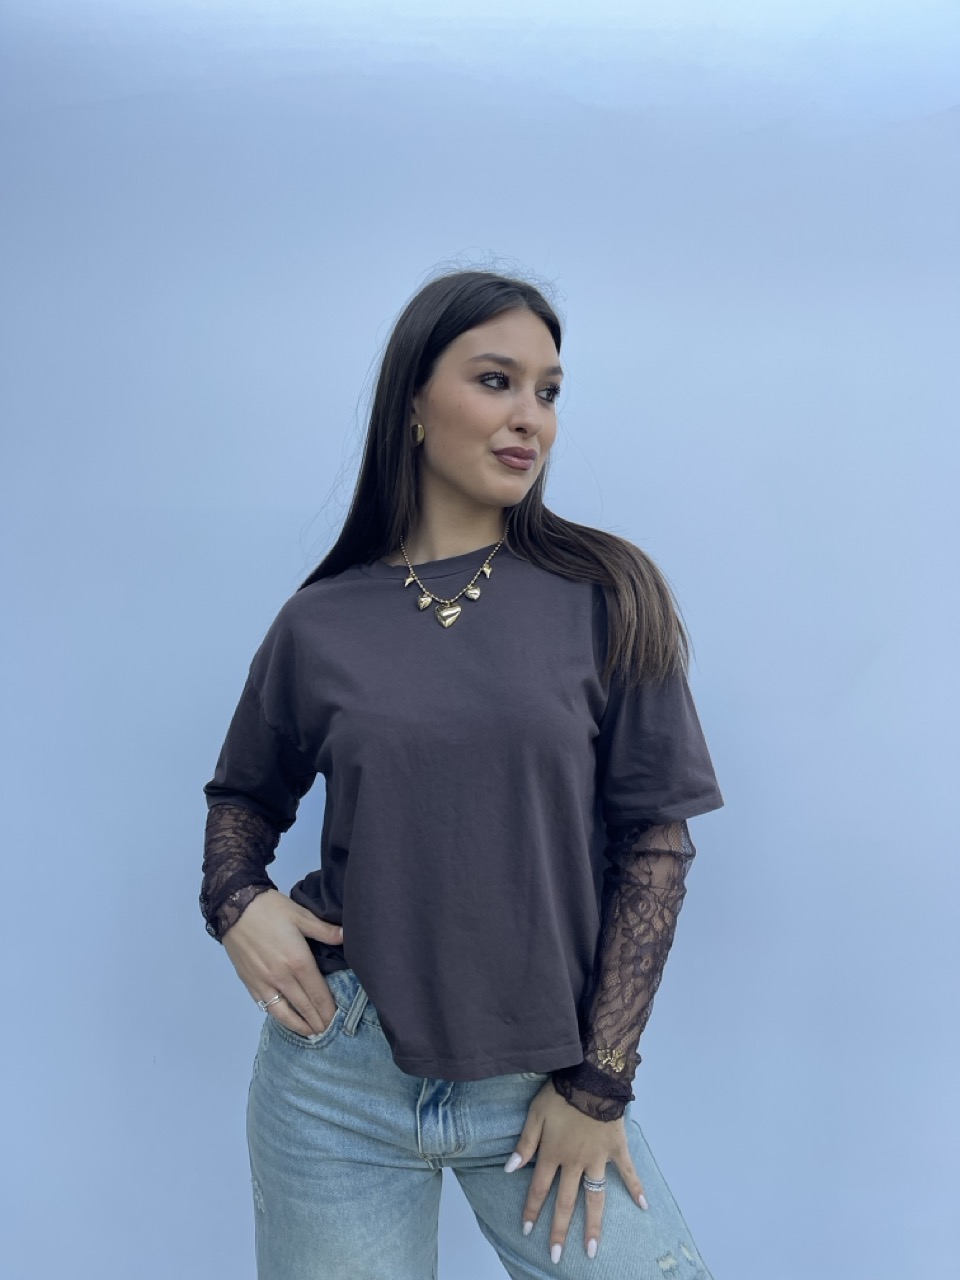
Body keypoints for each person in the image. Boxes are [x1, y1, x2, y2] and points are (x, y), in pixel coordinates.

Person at [200, 268, 724, 1279]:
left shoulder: (608, 595)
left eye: (549, 391)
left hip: (543, 1077)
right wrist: (235, 900)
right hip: (336, 1075)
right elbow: (245, 795)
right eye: (496, 380)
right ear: (413, 403)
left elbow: (656, 846)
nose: (531, 416)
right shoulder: (322, 621)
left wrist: (598, 1084)